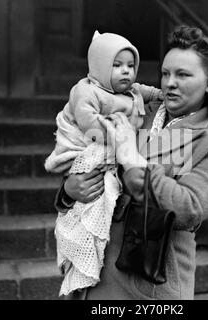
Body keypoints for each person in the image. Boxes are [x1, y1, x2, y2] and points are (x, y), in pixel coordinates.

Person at [55, 26, 208, 300]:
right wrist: (69, 190)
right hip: (91, 278)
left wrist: (131, 159)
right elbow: (88, 152)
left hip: (146, 288)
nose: (170, 83)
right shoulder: (134, 108)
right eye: (166, 73)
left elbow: (188, 209)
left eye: (183, 75)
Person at [44, 30, 163, 296]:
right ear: (100, 66)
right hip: (89, 147)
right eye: (117, 65)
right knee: (85, 211)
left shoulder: (135, 95)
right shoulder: (87, 90)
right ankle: (81, 251)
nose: (126, 72)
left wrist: (159, 93)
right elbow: (86, 122)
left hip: (127, 261)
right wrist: (68, 191)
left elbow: (147, 91)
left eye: (131, 66)